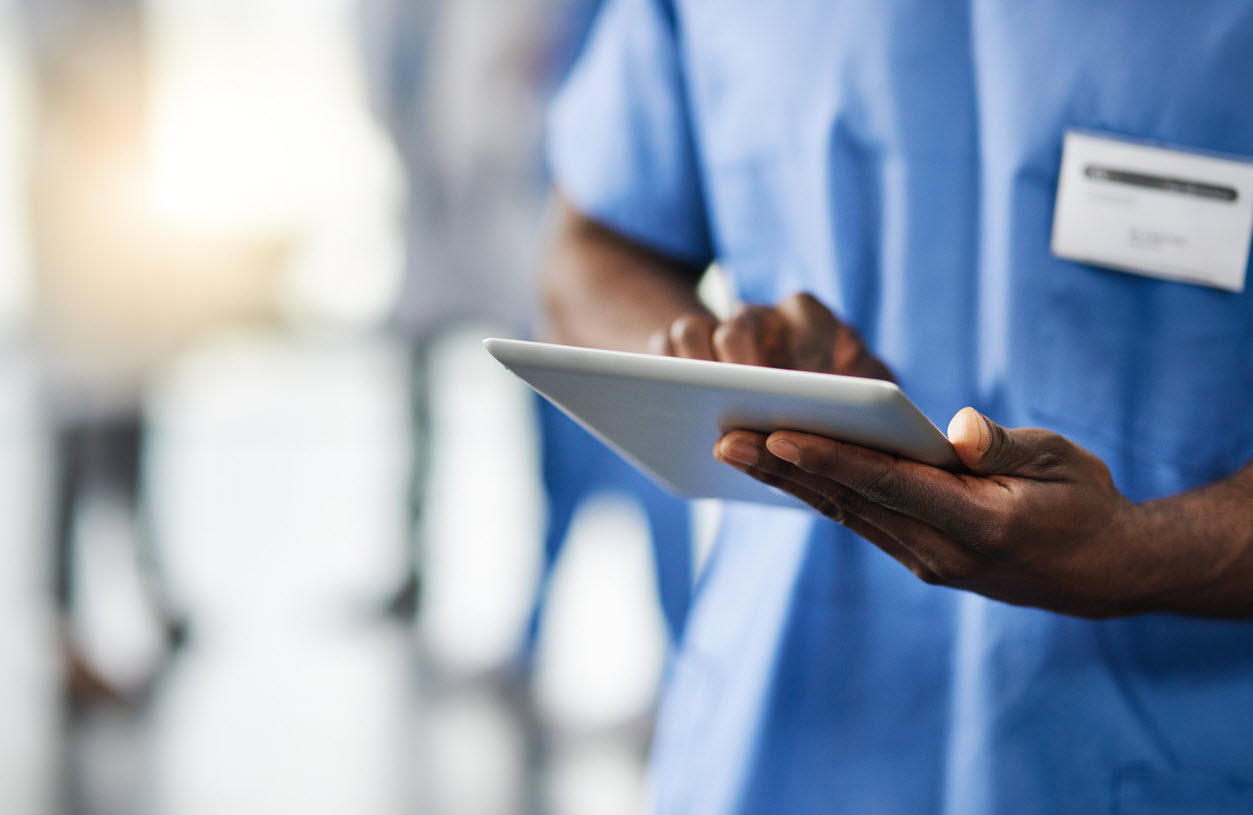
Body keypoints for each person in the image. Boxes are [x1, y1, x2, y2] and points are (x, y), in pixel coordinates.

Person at [540, 1, 1253, 813]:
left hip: (1182, 753)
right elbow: (596, 243)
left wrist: (1155, 551)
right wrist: (708, 362)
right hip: (781, 745)